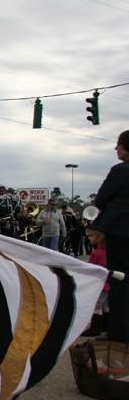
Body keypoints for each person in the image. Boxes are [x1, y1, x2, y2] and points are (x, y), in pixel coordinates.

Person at [89, 130, 129, 343]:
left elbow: (101, 198)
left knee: (120, 282)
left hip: (121, 231)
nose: (116, 148)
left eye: (119, 144)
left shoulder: (121, 170)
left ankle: (120, 333)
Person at [80, 229, 109, 336]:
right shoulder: (108, 252)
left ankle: (95, 327)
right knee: (105, 305)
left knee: (97, 305)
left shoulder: (98, 253)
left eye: (92, 236)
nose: (89, 238)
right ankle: (105, 325)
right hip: (108, 284)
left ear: (100, 237)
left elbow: (93, 268)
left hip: (100, 284)